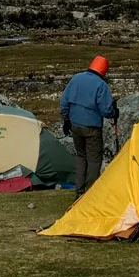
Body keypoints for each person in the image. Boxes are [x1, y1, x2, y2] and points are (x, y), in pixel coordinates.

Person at [59, 55, 117, 195]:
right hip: (92, 127)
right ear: (104, 71)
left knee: (81, 157)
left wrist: (67, 120)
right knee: (94, 160)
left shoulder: (76, 78)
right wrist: (115, 112)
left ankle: (79, 190)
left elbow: (64, 102)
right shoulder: (101, 85)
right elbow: (106, 110)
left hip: (75, 125)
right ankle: (90, 193)